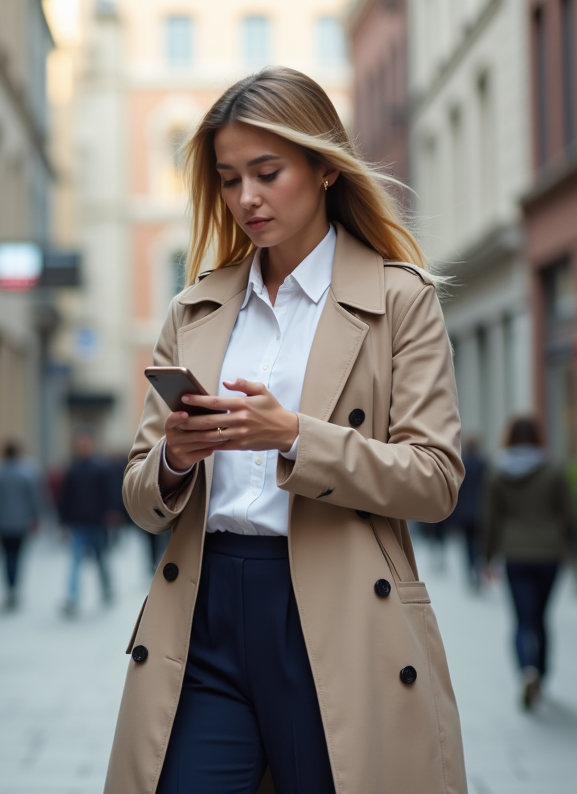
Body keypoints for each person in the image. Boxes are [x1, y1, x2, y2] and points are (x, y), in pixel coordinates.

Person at [107, 67, 467, 794]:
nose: (247, 199)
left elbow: (435, 481)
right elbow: (140, 498)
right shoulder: (194, 311)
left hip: (332, 611)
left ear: (325, 166)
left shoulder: (400, 302)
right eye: (230, 177)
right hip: (202, 614)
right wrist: (174, 459)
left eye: (267, 173)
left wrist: (295, 435)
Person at [480, 417, 573, 710]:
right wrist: (571, 546)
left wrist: (486, 557)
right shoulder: (555, 469)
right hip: (549, 553)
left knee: (522, 620)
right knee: (542, 618)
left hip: (515, 553)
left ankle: (526, 671)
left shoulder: (499, 471)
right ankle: (541, 676)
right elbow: (568, 513)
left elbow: (491, 519)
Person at [0, 438, 45, 610]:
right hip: (21, 522)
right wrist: (37, 518)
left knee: (5, 556)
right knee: (17, 556)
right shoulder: (29, 471)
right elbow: (35, 498)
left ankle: (9, 588)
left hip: (2, 523)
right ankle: (14, 588)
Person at [59, 430, 118, 616]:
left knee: (101, 559)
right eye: (79, 445)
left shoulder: (102, 468)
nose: (82, 447)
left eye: (85, 444)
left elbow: (110, 493)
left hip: (98, 523)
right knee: (75, 561)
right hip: (78, 524)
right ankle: (72, 599)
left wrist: (111, 514)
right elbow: (65, 498)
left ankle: (107, 589)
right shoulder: (72, 469)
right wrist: (64, 522)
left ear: (92, 445)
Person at [455, 436, 487, 589]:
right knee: (478, 543)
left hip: (465, 511)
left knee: (467, 543)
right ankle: (477, 569)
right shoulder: (483, 464)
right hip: (480, 510)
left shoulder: (463, 464)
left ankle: (470, 570)